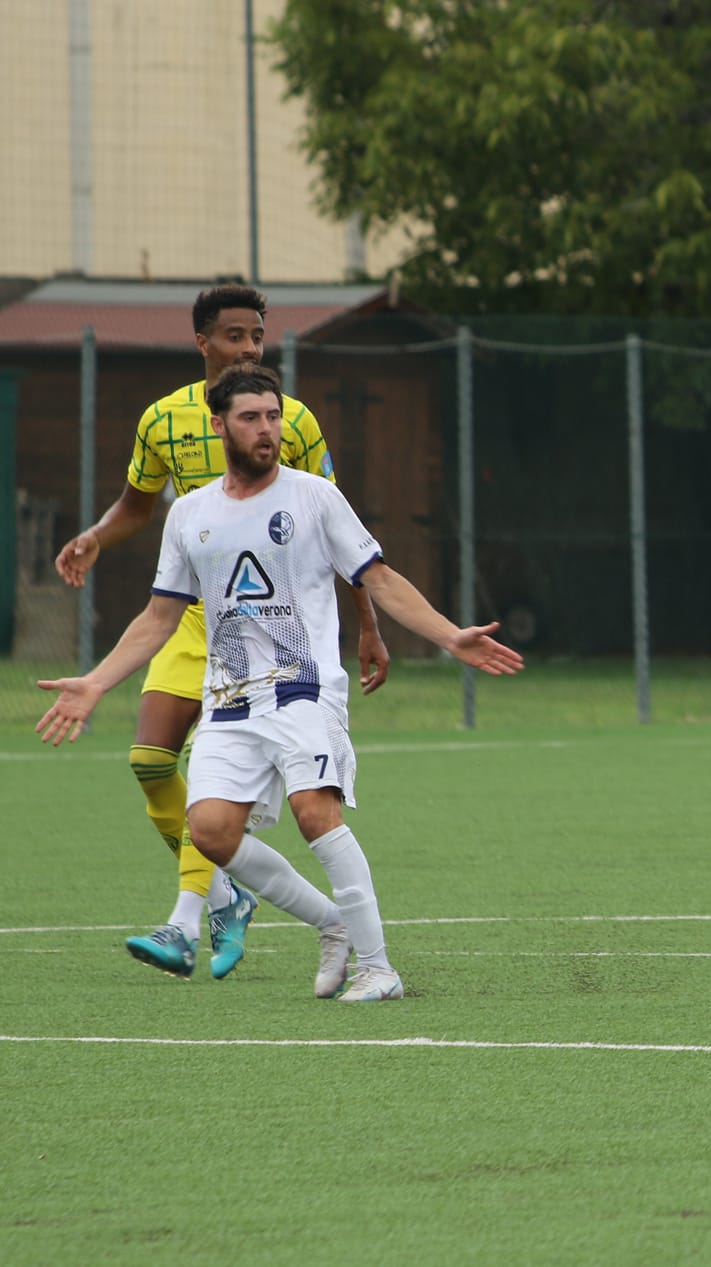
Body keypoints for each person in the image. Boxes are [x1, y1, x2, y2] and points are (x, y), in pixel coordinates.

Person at [36, 365, 520, 1001]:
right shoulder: (189, 514)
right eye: (250, 418)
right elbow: (159, 616)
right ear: (219, 426)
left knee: (314, 812)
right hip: (230, 697)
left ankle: (379, 969)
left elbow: (378, 577)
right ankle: (333, 922)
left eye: (273, 416)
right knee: (209, 831)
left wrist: (449, 634)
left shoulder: (315, 498)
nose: (267, 429)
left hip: (304, 687)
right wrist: (98, 682)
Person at [52, 284, 391, 980]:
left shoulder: (290, 418)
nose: (249, 348)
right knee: (151, 760)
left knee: (308, 808)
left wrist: (367, 623)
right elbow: (137, 506)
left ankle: (195, 912)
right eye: (235, 337)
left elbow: (343, 534)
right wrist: (94, 537)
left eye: (257, 336)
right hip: (192, 615)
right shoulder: (165, 419)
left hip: (280, 637)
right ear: (202, 342)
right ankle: (228, 891)